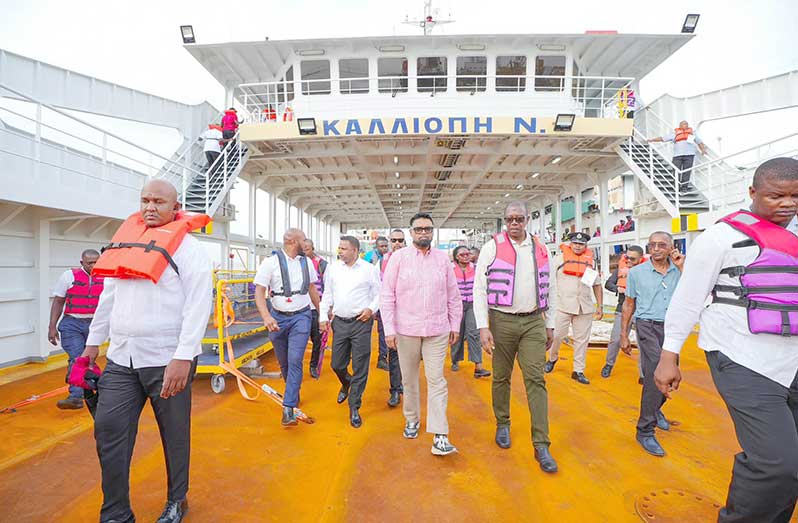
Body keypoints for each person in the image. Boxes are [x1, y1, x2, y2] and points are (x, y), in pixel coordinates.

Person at [655, 158, 798, 522]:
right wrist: (669, 355)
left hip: (792, 360)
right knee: (775, 463)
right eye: (776, 196)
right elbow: (688, 298)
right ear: (752, 192)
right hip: (741, 357)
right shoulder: (719, 238)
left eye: (796, 196)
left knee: (792, 464)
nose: (788, 204)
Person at [83, 179, 212, 523]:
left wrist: (184, 355)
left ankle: (177, 500)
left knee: (174, 436)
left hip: (167, 360)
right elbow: (107, 298)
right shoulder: (125, 242)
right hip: (122, 359)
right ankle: (116, 512)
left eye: (158, 201)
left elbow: (200, 304)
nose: (150, 207)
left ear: (176, 206)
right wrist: (91, 345)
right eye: (145, 200)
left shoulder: (190, 248)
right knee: (109, 431)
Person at [473, 200, 559, 473]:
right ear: (504, 220)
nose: (514, 223)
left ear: (526, 220)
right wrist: (483, 326)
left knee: (536, 378)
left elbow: (552, 287)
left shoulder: (541, 248)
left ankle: (541, 443)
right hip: (501, 321)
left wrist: (550, 324)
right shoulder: (491, 247)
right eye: (510, 219)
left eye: (519, 219)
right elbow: (479, 289)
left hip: (534, 320)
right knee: (501, 376)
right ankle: (503, 423)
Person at [381, 212, 462, 456]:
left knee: (437, 380)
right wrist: (389, 330)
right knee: (410, 380)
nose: (424, 232)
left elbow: (453, 295)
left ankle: (440, 434)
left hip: (437, 330)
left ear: (432, 232)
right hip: (406, 331)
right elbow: (387, 296)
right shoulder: (398, 259)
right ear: (411, 232)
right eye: (419, 229)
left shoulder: (442, 260)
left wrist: (455, 324)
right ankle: (412, 419)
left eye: (428, 229)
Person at [620, 232, 684, 457]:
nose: (656, 249)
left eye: (662, 245)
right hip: (647, 326)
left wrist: (682, 267)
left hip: (673, 329)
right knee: (657, 372)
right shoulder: (637, 273)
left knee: (673, 376)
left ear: (671, 247)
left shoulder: (681, 270)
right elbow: (629, 305)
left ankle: (655, 410)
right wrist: (624, 335)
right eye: (652, 245)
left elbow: (697, 294)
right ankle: (645, 430)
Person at [254, 229, 321, 426]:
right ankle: (293, 390)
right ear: (293, 241)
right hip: (277, 319)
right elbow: (259, 291)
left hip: (301, 316)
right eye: (303, 240)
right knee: (284, 362)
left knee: (295, 360)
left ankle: (288, 408)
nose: (306, 242)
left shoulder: (306, 262)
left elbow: (311, 289)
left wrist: (322, 313)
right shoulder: (270, 263)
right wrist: (266, 316)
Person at [319, 236, 381, 428]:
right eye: (339, 248)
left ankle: (354, 406)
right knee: (337, 364)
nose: (340, 251)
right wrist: (322, 317)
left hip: (361, 323)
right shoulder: (333, 268)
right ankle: (347, 383)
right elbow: (327, 293)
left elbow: (380, 293)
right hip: (340, 323)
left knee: (360, 365)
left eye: (344, 248)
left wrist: (371, 309)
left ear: (355, 250)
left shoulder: (368, 269)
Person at [545, 231, 603, 384]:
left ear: (586, 245)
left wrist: (600, 306)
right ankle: (552, 358)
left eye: (581, 244)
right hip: (562, 305)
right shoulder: (558, 260)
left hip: (584, 307)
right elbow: (548, 282)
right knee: (557, 335)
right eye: (575, 243)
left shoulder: (590, 262)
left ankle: (578, 370)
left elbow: (597, 285)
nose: (578, 246)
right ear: (570, 243)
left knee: (582, 340)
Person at [48, 249, 103, 410]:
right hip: (72, 323)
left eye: (96, 262)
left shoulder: (107, 278)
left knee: (89, 360)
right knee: (78, 357)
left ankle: (86, 391)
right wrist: (52, 327)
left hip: (94, 325)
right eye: (90, 263)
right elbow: (58, 301)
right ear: (82, 263)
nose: (93, 266)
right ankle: (76, 397)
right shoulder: (68, 276)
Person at [602, 245, 645, 378]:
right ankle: (609, 364)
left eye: (633, 259)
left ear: (640, 259)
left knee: (643, 342)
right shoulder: (621, 270)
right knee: (615, 339)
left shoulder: (647, 272)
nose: (629, 261)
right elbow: (608, 284)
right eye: (627, 257)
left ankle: (643, 374)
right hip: (622, 308)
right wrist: (617, 289)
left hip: (642, 311)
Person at [450, 246, 490, 378]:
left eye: (468, 254)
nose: (466, 256)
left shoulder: (477, 268)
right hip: (457, 305)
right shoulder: (450, 269)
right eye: (462, 254)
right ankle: (455, 360)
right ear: (456, 257)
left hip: (473, 304)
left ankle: (478, 366)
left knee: (474, 333)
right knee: (457, 334)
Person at [382, 228, 406, 407]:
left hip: (412, 316)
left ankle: (406, 384)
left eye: (400, 240)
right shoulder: (383, 261)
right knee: (394, 353)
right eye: (394, 240)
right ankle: (395, 390)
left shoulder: (413, 258)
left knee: (411, 355)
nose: (397, 243)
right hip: (392, 314)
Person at [648, 120, 708, 187]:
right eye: (683, 124)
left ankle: (684, 187)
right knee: (676, 171)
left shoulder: (692, 134)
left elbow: (699, 142)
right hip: (677, 156)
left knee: (687, 171)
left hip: (689, 155)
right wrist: (652, 140)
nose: (685, 125)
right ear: (680, 126)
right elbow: (662, 138)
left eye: (686, 124)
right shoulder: (675, 134)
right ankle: (676, 186)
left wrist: (703, 150)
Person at [302, 238, 328, 379]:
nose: (305, 251)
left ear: (313, 249)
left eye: (308, 248)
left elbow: (327, 286)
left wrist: (325, 310)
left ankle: (313, 366)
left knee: (317, 340)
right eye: (303, 248)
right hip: (300, 308)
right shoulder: (297, 263)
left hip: (316, 308)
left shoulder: (322, 264)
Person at [365, 236, 390, 370]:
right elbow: (369, 282)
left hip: (392, 299)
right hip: (379, 299)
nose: (385, 248)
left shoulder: (392, 258)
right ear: (376, 246)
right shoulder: (370, 259)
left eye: (386, 246)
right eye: (382, 246)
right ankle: (382, 358)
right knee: (382, 330)